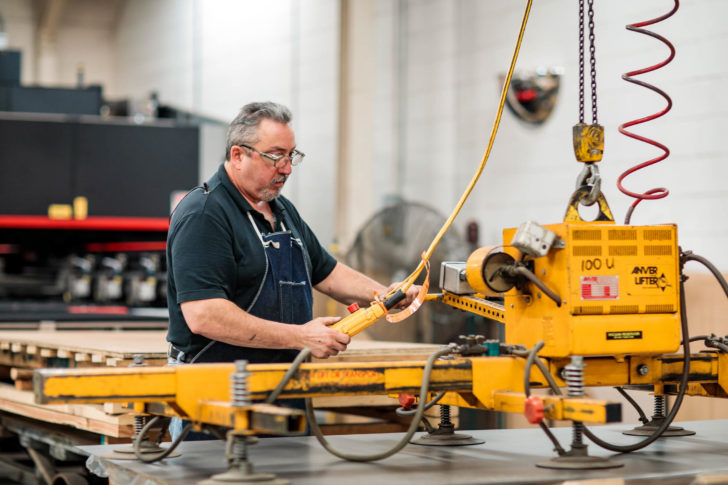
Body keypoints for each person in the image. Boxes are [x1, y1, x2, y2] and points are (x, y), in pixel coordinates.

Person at [166, 101, 419, 439]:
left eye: (291, 157)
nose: (286, 169)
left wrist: (384, 294)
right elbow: (204, 315)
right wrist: (300, 336)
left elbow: (326, 272)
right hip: (219, 392)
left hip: (286, 384)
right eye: (275, 157)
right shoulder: (205, 214)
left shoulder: (281, 209)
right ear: (238, 155)